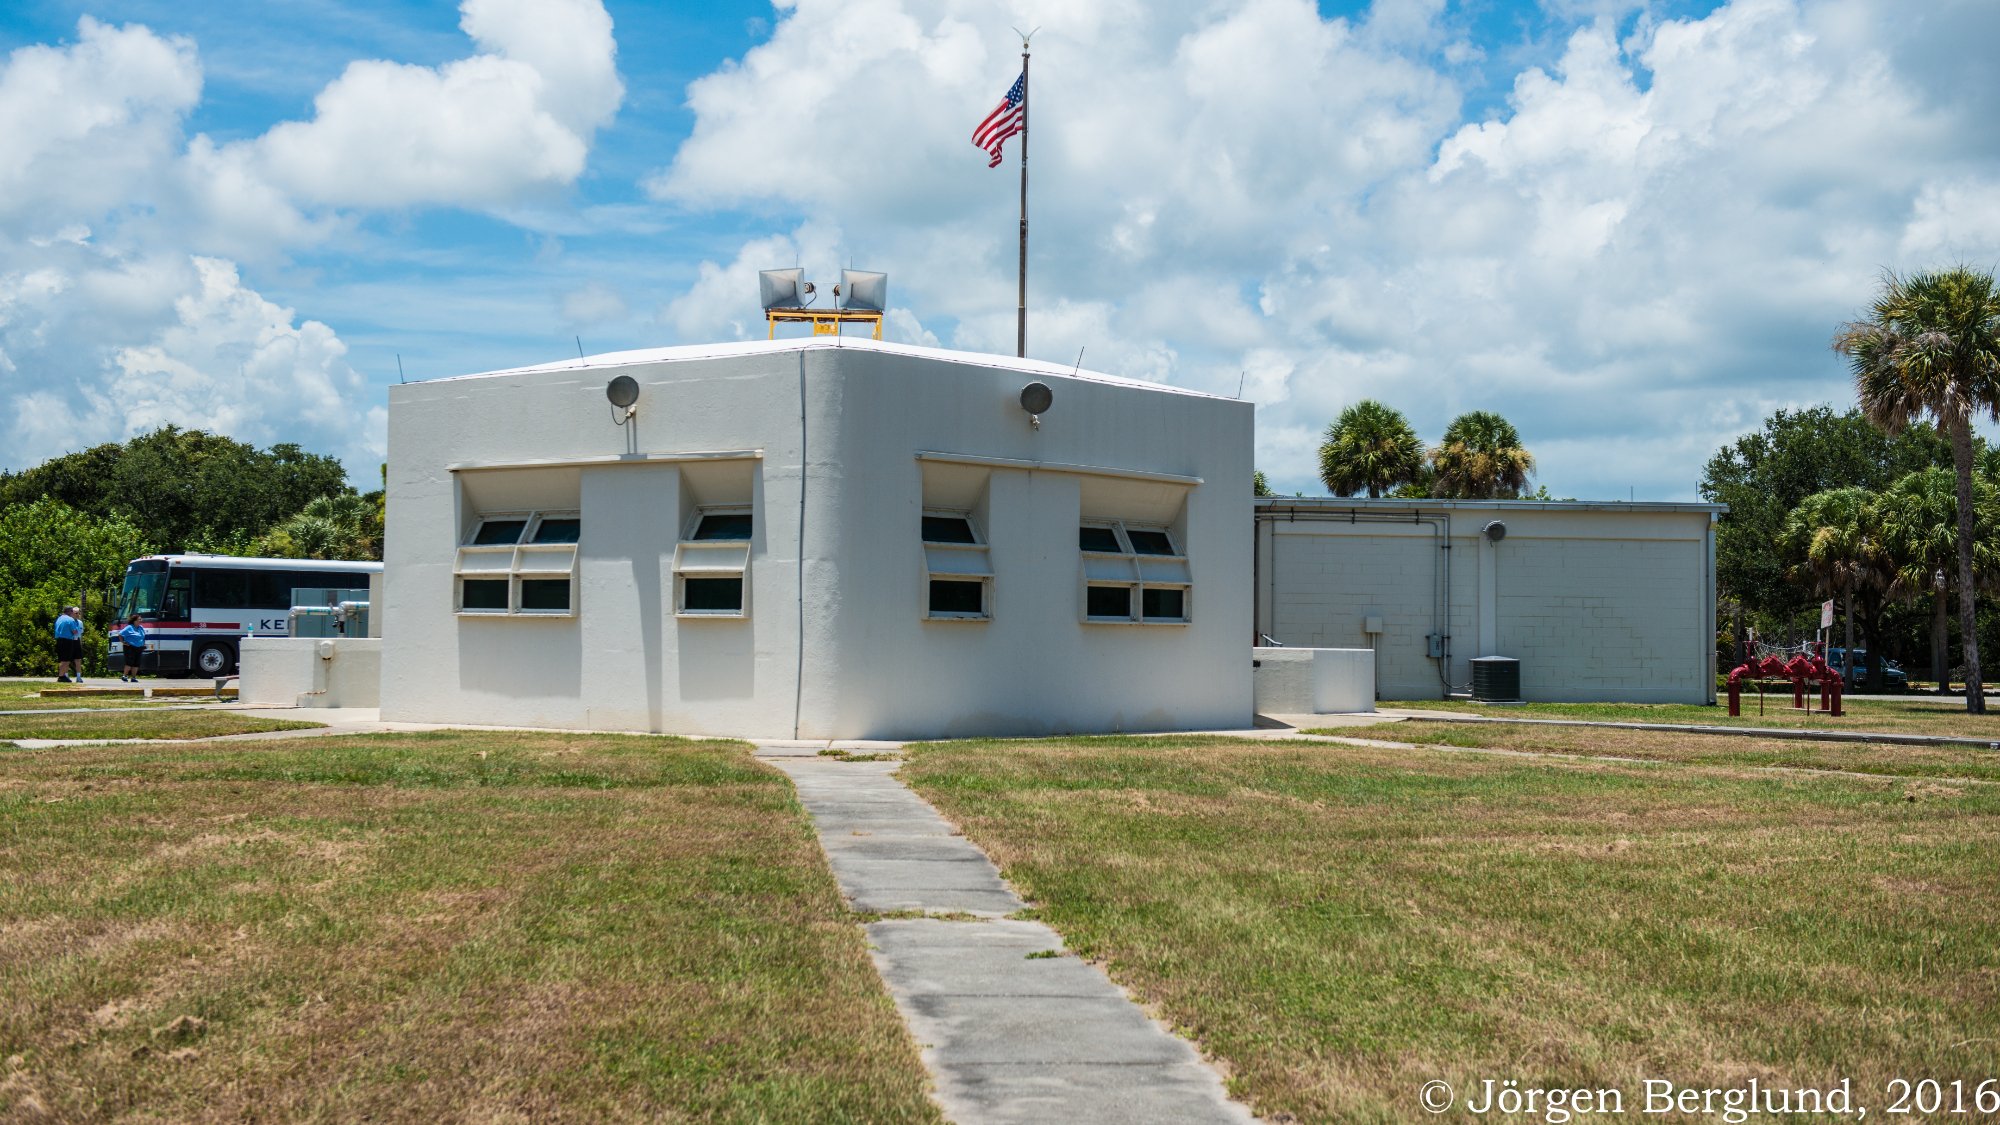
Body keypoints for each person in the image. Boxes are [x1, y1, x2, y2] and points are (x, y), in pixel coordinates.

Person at [52, 606, 84, 683]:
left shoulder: (59, 619)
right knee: (66, 660)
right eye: (72, 611)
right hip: (67, 640)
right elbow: (75, 632)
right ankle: (61, 676)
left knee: (62, 659)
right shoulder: (70, 620)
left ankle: (63, 676)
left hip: (59, 640)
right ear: (70, 611)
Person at [117, 614, 148, 683]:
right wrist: (123, 642)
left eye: (141, 619)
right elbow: (120, 634)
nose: (141, 621)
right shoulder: (129, 627)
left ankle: (133, 677)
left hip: (139, 647)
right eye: (139, 619)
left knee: (136, 663)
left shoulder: (141, 628)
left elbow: (142, 637)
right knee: (129, 662)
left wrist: (143, 644)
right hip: (130, 647)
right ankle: (124, 676)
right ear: (134, 621)